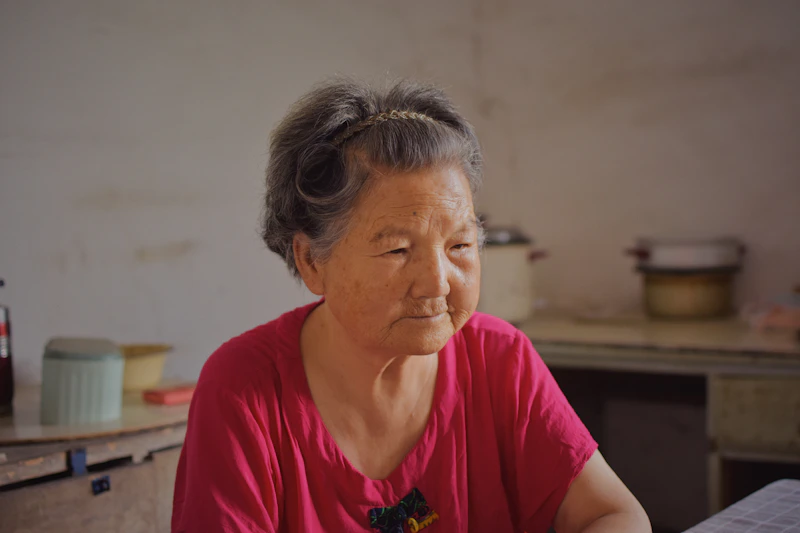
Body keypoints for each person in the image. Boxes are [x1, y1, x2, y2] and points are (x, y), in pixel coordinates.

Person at [171, 78, 651, 533]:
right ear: (312, 260)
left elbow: (614, 515)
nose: (437, 284)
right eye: (398, 250)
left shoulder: (500, 360)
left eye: (460, 246)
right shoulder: (244, 389)